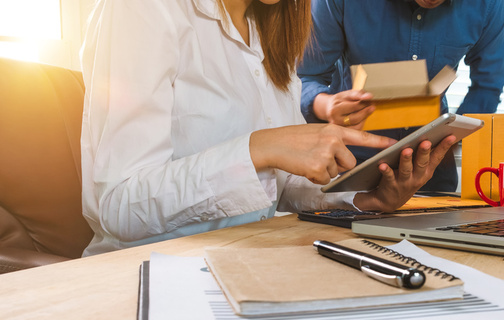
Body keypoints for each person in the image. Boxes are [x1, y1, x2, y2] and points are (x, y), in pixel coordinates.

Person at [79, 0, 457, 255]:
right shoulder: (142, 10)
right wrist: (258, 148)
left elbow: (283, 184)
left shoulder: (267, 27)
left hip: (244, 258)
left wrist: (362, 200)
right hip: (149, 273)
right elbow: (120, 205)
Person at [298, 0, 504, 192]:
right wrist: (325, 105)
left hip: (432, 173)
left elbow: (488, 85)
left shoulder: (488, 5)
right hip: (351, 168)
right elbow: (306, 77)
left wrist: (455, 135)